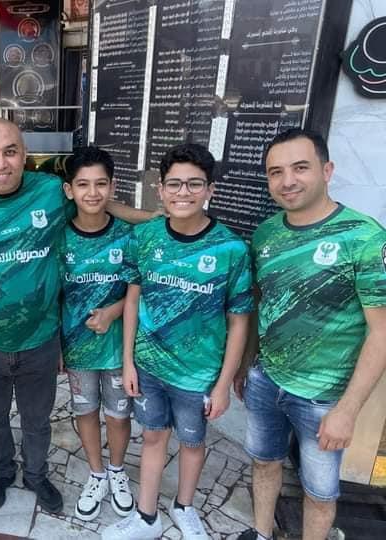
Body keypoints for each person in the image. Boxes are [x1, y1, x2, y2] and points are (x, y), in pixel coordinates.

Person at [0, 119, 160, 514]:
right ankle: (2, 472)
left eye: (10, 152)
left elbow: (99, 203)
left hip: (41, 340)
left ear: (24, 155)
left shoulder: (50, 192)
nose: (1, 163)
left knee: (37, 419)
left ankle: (37, 475)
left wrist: (157, 219)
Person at [234, 129, 386, 540]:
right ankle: (261, 532)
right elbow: (261, 303)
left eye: (300, 168)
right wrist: (247, 365)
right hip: (267, 380)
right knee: (263, 462)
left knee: (319, 492)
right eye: (276, 172)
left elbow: (381, 332)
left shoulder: (365, 238)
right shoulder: (266, 234)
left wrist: (348, 410)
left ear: (327, 170)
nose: (288, 181)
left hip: (324, 397)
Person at [103, 143, 253, 539]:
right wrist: (129, 362)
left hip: (198, 375)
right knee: (152, 436)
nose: (183, 193)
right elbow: (132, 299)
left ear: (210, 190)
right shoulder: (145, 237)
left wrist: (223, 385)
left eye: (194, 184)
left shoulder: (231, 249)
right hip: (149, 367)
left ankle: (184, 507)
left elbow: (239, 321)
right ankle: (146, 517)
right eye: (174, 184)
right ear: (161, 189)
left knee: (192, 443)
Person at [58, 147, 138, 521]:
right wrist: (57, 345)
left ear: (112, 186)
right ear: (69, 190)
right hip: (77, 349)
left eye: (100, 184)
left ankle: (117, 470)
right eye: (83, 184)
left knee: (118, 415)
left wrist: (112, 311)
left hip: (118, 349)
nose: (92, 193)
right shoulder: (60, 238)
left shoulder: (128, 236)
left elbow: (141, 289)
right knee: (85, 411)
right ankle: (97, 473)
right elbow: (53, 294)